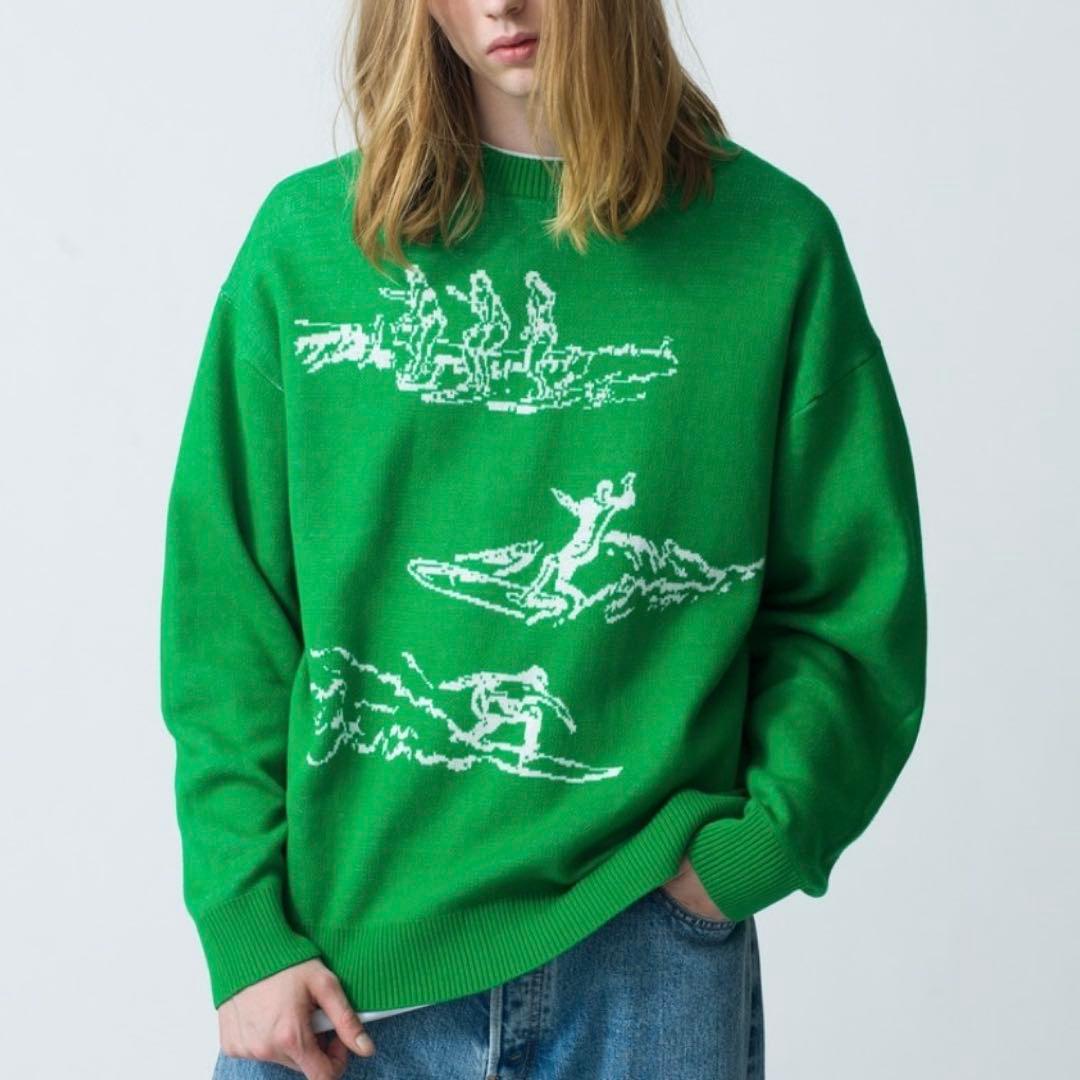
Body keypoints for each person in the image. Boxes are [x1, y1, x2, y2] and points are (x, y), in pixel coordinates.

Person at [158, 0, 928, 1077]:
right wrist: (244, 930)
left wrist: (754, 850)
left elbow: (851, 605)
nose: (500, 5)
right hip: (340, 988)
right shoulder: (307, 248)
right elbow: (226, 623)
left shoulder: (772, 246)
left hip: (646, 963)